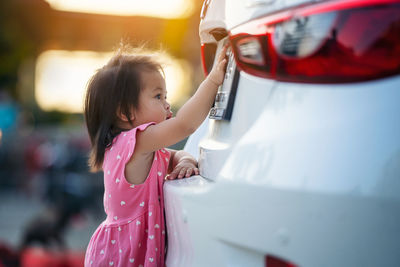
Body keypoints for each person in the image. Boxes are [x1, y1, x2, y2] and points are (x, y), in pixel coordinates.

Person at [83, 44, 228, 267]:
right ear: (126, 112)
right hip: (121, 255)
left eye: (166, 95)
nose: (167, 104)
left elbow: (174, 156)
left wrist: (186, 161)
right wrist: (213, 82)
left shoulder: (144, 149)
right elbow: (185, 125)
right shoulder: (134, 142)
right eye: (158, 96)